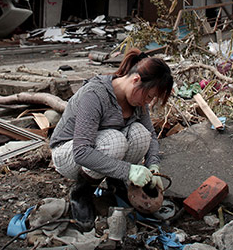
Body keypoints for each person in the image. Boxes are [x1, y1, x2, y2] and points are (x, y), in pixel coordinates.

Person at [49, 48, 174, 231]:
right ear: (136, 80)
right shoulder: (96, 95)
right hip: (68, 154)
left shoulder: (137, 102)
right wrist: (128, 170)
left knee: (140, 134)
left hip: (101, 150)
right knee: (115, 140)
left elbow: (151, 136)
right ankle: (82, 193)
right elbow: (82, 152)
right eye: (148, 96)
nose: (148, 102)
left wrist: (153, 166)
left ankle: (115, 184)